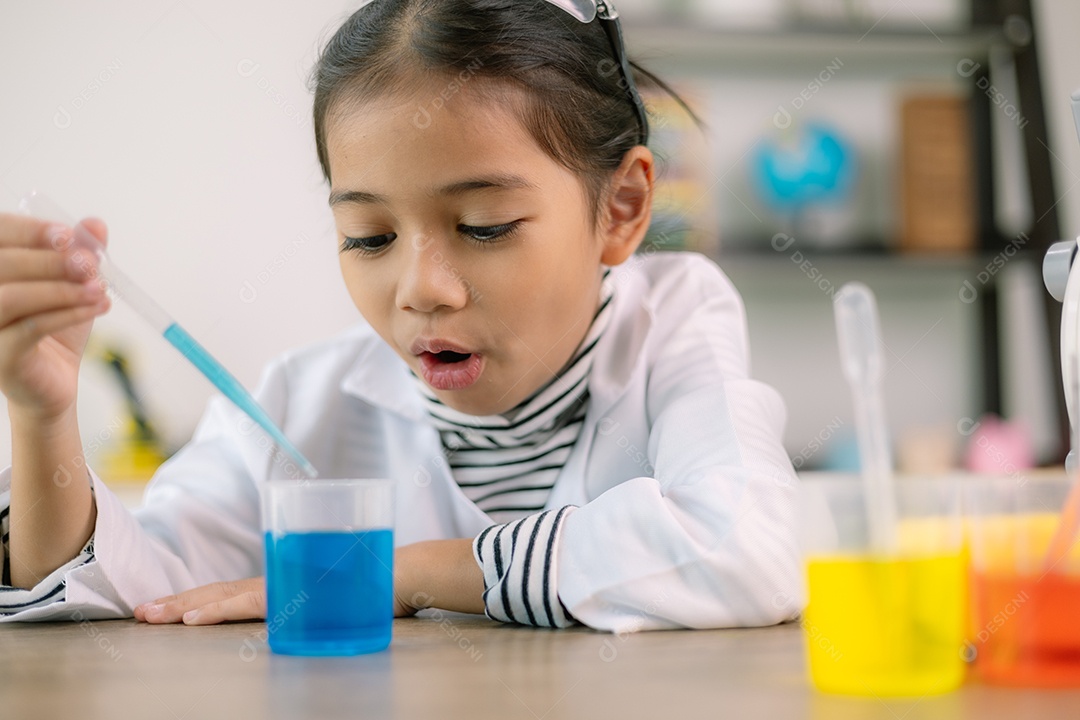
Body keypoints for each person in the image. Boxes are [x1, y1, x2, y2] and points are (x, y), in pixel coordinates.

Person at [0, 0, 800, 632]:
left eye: (484, 225)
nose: (423, 289)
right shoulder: (300, 405)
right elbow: (132, 589)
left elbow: (744, 546)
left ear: (621, 208)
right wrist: (44, 419)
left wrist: (402, 573)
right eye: (369, 236)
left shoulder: (673, 322)